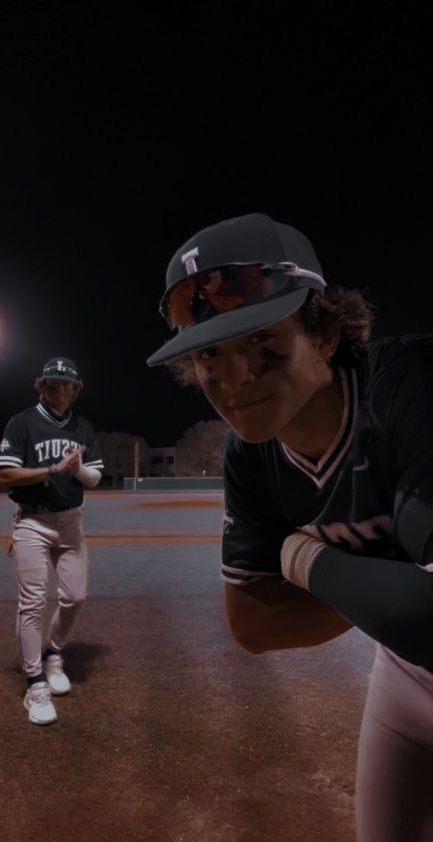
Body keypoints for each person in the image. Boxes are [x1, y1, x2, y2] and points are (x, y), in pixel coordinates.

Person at [147, 213, 433, 841]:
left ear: (324, 333)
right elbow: (252, 623)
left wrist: (303, 561)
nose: (234, 379)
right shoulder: (249, 455)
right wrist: (391, 596)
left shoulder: (410, 387)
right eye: (210, 355)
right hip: (403, 676)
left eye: (262, 343)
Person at [0, 357, 104, 726]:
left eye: (68, 386)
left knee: (75, 597)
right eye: (54, 384)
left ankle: (53, 653)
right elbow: (5, 472)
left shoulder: (83, 427)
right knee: (32, 602)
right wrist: (51, 470)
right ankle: (35, 684)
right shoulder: (22, 423)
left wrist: (77, 469)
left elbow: (93, 480)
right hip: (31, 521)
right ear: (42, 386)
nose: (62, 391)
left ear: (76, 389)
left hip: (70, 521)